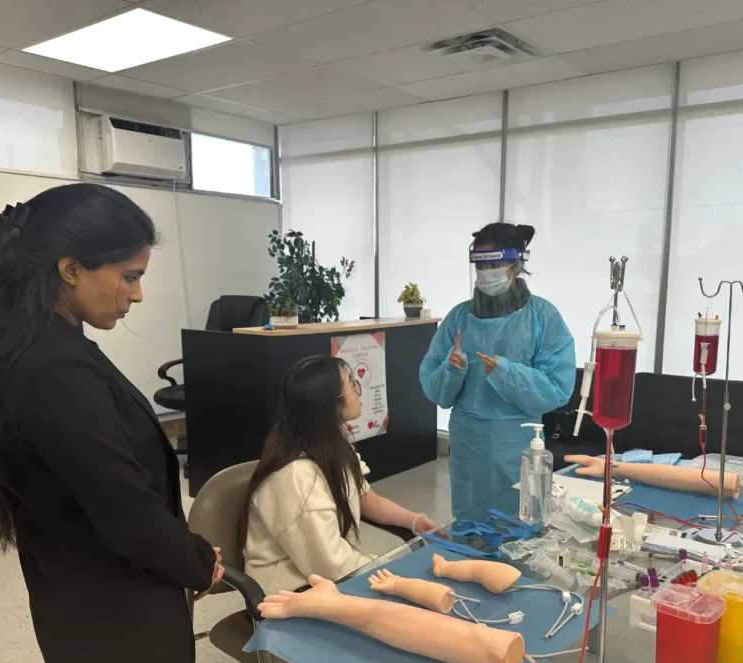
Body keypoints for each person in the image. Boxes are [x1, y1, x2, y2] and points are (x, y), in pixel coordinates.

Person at [0, 184, 223, 663]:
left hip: (92, 605)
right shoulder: (52, 369)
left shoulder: (35, 345)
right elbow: (125, 509)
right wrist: (199, 562)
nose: (138, 294)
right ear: (70, 269)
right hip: (117, 627)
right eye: (129, 276)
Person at [244, 355, 443, 595]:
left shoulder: (330, 445)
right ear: (330, 403)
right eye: (352, 385)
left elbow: (363, 496)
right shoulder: (297, 478)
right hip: (293, 590)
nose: (358, 392)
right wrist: (390, 573)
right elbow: (330, 565)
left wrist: (415, 520)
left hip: (323, 574)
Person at [419, 222, 576, 515]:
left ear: (515, 265)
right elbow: (435, 390)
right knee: (469, 521)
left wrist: (507, 373)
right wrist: (451, 371)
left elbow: (557, 388)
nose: (486, 272)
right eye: (480, 266)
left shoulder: (542, 316)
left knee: (521, 521)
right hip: (467, 444)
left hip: (517, 444)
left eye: (494, 264)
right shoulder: (459, 317)